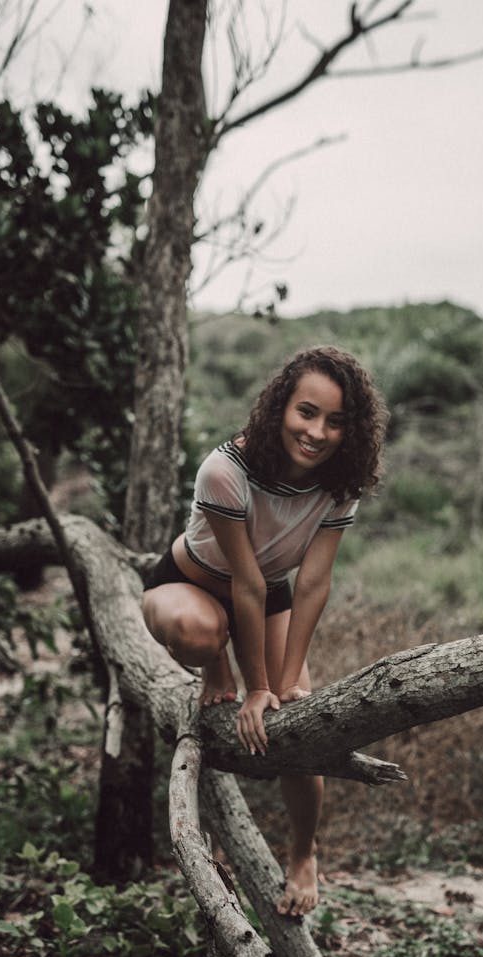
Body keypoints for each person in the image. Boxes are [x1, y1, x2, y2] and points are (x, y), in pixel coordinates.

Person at [142, 346, 387, 917]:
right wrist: (254, 686)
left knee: (298, 723)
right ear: (281, 407)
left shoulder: (338, 483)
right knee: (201, 631)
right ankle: (214, 665)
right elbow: (243, 585)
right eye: (307, 412)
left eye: (335, 421)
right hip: (192, 581)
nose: (317, 432)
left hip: (268, 591)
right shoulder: (226, 470)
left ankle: (304, 853)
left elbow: (311, 585)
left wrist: (284, 682)